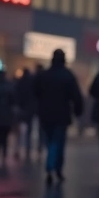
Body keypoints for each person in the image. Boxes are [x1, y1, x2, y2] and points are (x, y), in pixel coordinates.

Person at [33, 50, 84, 185]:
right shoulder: (67, 76)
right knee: (58, 142)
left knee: (50, 141)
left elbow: (35, 92)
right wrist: (78, 111)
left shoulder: (44, 75)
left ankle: (52, 166)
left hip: (45, 114)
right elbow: (76, 96)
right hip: (61, 115)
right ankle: (55, 167)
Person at [14, 67, 37, 159]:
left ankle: (17, 149)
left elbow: (16, 96)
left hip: (20, 109)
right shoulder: (32, 84)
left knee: (18, 132)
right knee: (29, 131)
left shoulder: (19, 83)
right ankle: (28, 148)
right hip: (29, 110)